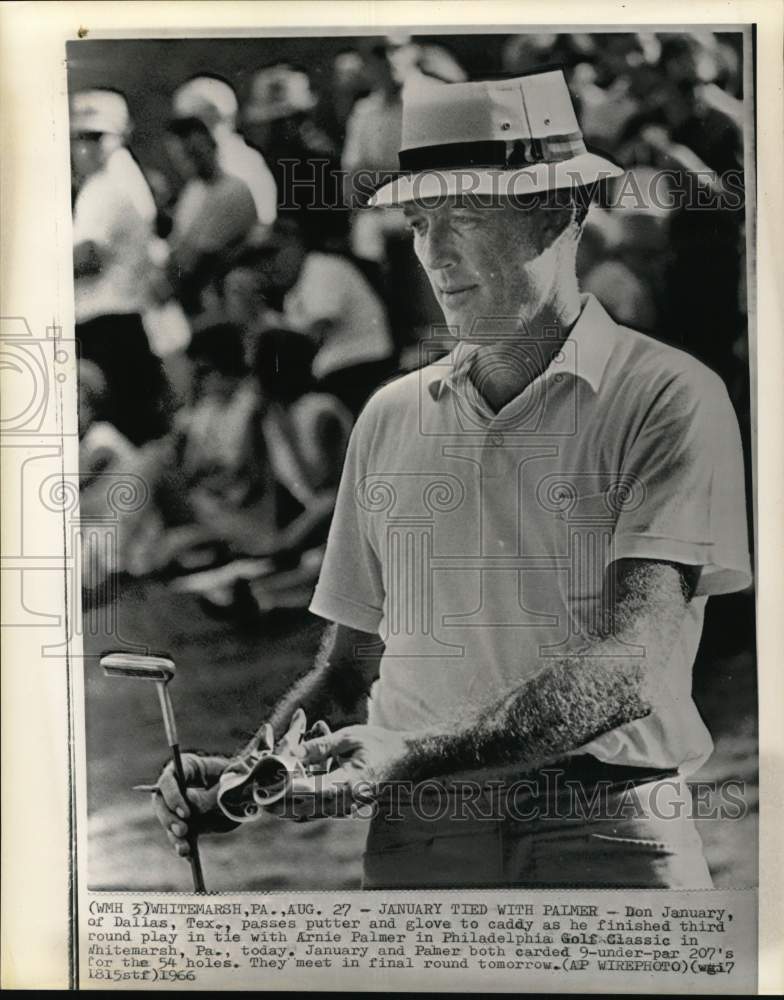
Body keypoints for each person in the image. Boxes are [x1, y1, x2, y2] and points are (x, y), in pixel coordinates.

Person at [154, 70, 751, 890]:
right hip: (418, 846)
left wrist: (408, 754)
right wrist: (247, 777)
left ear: (564, 211)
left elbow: (633, 665)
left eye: (467, 215)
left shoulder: (667, 396)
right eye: (417, 220)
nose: (434, 253)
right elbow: (348, 670)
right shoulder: (390, 416)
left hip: (603, 832)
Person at [71, 89, 172, 445]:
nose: (85, 147)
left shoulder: (108, 183)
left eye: (96, 136)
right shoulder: (110, 179)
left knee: (124, 430)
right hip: (115, 321)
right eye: (78, 137)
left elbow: (85, 258)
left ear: (119, 136)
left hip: (113, 322)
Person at [164, 116, 258, 317]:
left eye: (195, 152)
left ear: (211, 144)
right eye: (182, 156)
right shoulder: (192, 191)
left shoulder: (233, 190)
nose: (189, 162)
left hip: (222, 294)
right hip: (196, 291)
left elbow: (202, 258)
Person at [172, 75, 277, 226]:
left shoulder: (241, 175)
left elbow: (197, 247)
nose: (186, 142)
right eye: (181, 131)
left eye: (193, 130)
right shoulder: (199, 184)